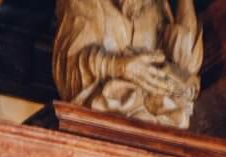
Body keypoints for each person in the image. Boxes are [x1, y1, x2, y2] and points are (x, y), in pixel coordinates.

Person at [52, 0, 203, 129]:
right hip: (105, 118)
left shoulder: (157, 6)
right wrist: (118, 66)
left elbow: (187, 68)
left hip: (156, 124)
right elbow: (68, 70)